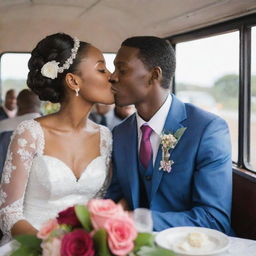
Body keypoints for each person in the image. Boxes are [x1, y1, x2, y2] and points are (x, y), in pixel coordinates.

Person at [106, 36, 233, 235]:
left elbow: (214, 219)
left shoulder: (207, 129)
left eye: (122, 70)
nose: (112, 77)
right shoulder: (120, 133)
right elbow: (115, 199)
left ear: (153, 75)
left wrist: (138, 220)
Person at [0, 32, 113, 246]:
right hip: (29, 245)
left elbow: (98, 205)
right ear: (73, 80)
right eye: (101, 69)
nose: (111, 76)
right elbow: (8, 214)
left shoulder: (105, 137)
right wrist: (51, 248)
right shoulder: (30, 133)